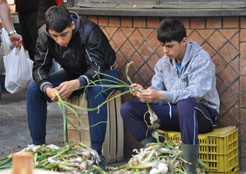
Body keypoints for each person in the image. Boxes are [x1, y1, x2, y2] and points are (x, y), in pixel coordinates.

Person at [120, 18, 220, 174]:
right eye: (162, 46)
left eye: (169, 46)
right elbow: (157, 90)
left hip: (201, 116)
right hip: (175, 113)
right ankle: (156, 157)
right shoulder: (163, 62)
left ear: (184, 41)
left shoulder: (201, 59)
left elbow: (195, 93)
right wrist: (144, 93)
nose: (165, 51)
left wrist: (160, 95)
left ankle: (190, 169)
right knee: (127, 108)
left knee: (185, 104)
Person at [26, 5, 119, 170]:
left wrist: (77, 83)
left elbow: (97, 68)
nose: (60, 41)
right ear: (48, 31)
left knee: (95, 90)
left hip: (106, 73)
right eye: (55, 36)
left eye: (64, 35)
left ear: (73, 26)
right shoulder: (43, 34)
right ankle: (38, 149)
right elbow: (39, 68)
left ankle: (96, 155)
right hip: (72, 74)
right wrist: (49, 89)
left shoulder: (90, 30)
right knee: (34, 89)